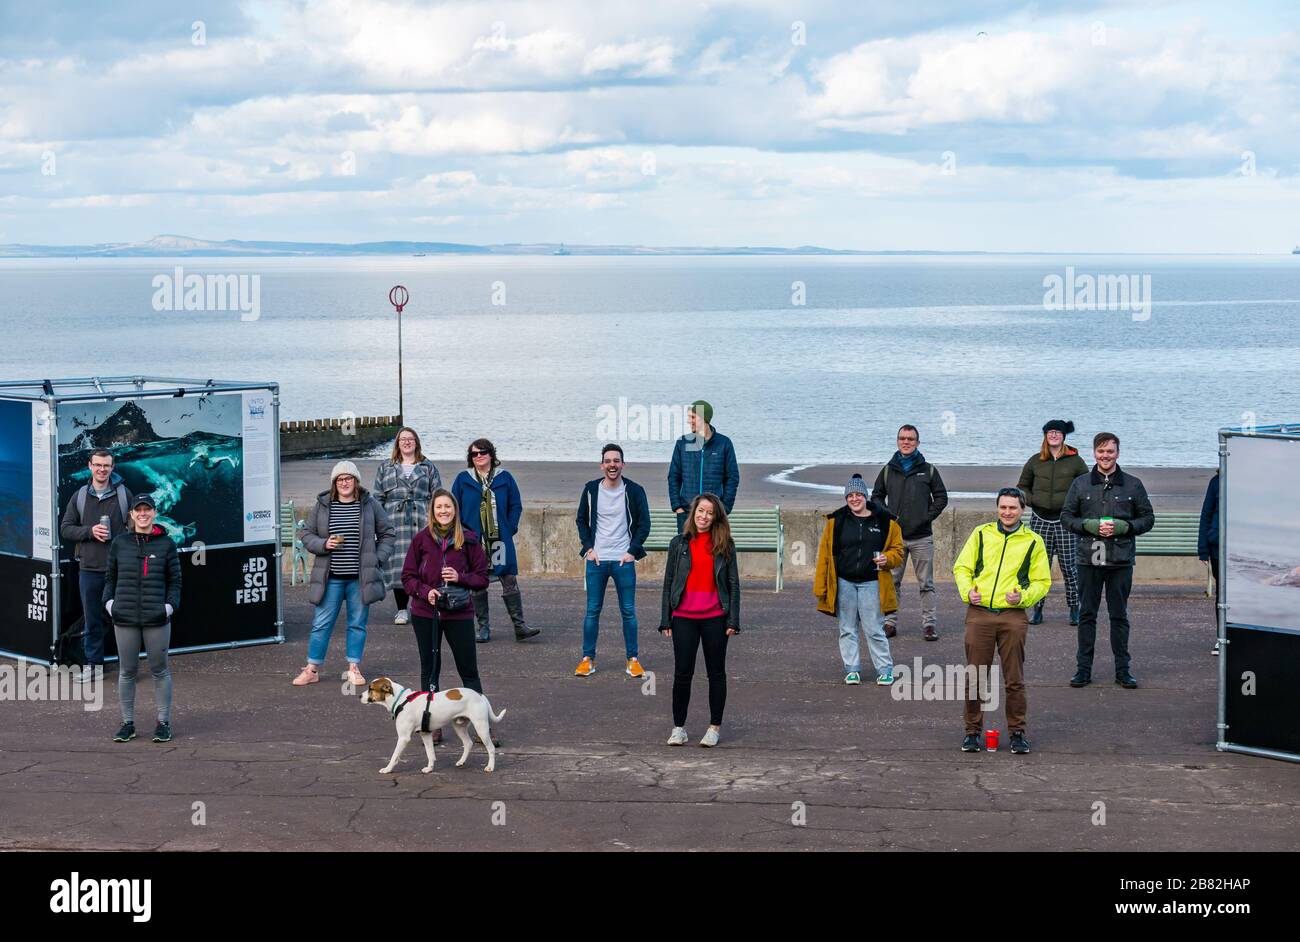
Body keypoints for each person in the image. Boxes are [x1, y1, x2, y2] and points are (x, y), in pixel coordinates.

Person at [952, 487, 1051, 755]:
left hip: (1013, 616)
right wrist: (967, 592)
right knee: (974, 677)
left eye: (1013, 508)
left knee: (1014, 679)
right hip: (979, 612)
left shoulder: (1033, 541)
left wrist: (1023, 598)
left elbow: (1043, 581)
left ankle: (1017, 733)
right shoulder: (981, 533)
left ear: (1023, 510)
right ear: (998, 508)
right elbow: (962, 567)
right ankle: (972, 733)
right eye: (1003, 507)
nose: (1007, 512)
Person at [1060, 433, 1155, 689]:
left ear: (1118, 453)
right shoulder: (1080, 484)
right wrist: (1087, 525)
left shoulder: (1133, 485)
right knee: (1087, 615)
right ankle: (1083, 670)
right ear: (1094, 453)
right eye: (1101, 452)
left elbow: (1148, 519)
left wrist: (1125, 527)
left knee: (1119, 616)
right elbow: (1066, 517)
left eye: (1110, 452)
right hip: (1088, 560)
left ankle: (1123, 671)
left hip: (1120, 561)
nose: (1105, 456)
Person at [401, 488, 493, 744]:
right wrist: (424, 591)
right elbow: (408, 577)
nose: (443, 511)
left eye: (448, 507)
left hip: (459, 612)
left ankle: (481, 724)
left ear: (455, 510)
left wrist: (460, 577)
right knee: (430, 669)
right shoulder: (421, 539)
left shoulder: (470, 540)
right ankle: (431, 722)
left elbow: (483, 578)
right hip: (426, 613)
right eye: (439, 507)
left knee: (468, 670)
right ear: (432, 511)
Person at [293, 461, 395, 688]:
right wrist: (323, 543)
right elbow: (306, 533)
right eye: (340, 479)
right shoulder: (323, 505)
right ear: (334, 483)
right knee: (321, 623)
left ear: (356, 481)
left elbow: (388, 533)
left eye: (349, 478)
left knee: (357, 624)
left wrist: (377, 558)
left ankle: (353, 668)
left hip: (360, 578)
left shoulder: (369, 504)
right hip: (331, 578)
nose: (344, 482)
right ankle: (312, 669)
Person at [659, 493, 741, 747]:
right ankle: (679, 728)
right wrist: (665, 620)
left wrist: (733, 620)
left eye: (709, 512)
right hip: (683, 617)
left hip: (715, 618)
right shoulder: (678, 543)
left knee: (716, 673)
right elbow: (668, 583)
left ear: (716, 517)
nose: (704, 516)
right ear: (693, 513)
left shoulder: (725, 544)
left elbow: (733, 584)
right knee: (682, 674)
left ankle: (714, 728)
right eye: (700, 511)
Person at [103, 494, 180, 744]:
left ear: (154, 513)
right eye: (139, 510)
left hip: (156, 618)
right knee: (127, 672)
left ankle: (163, 723)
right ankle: (127, 724)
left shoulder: (167, 544)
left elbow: (175, 581)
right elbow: (110, 578)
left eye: (148, 509)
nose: (143, 513)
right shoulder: (119, 543)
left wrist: (168, 608)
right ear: (132, 515)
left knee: (160, 670)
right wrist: (110, 604)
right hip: (124, 618)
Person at [814, 474, 904, 686]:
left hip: (872, 581)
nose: (854, 499)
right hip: (844, 581)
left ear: (866, 496)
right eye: (850, 495)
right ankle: (852, 669)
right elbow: (825, 556)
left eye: (858, 494)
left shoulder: (885, 521)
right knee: (847, 628)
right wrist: (821, 587)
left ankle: (885, 669)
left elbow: (898, 551)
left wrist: (887, 558)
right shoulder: (836, 521)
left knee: (874, 628)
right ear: (846, 497)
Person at [574, 443, 651, 678]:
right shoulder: (590, 489)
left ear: (623, 464)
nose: (612, 465)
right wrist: (588, 548)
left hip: (623, 561)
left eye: (616, 461)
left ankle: (633, 659)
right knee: (592, 611)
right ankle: (588, 659)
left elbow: (644, 524)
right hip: (596, 560)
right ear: (601, 465)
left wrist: (632, 551)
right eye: (608, 461)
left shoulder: (635, 490)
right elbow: (581, 521)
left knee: (628, 611)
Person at [451, 439, 539, 643]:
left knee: (508, 579)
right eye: (474, 454)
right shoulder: (464, 479)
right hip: (474, 542)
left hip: (499, 540)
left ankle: (520, 626)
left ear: (491, 454)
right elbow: (455, 509)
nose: (479, 456)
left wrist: (510, 528)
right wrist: (465, 535)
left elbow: (515, 505)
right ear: (470, 458)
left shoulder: (504, 477)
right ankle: (483, 628)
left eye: (483, 452)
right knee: (477, 584)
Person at [59, 448, 132, 682]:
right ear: (90, 466)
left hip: (119, 569)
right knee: (92, 619)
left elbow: (136, 529)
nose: (102, 469)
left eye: (106, 465)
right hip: (89, 569)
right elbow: (65, 529)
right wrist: (89, 532)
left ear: (113, 467)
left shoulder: (123, 495)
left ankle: (127, 667)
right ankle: (94, 666)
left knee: (124, 619)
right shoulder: (79, 496)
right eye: (98, 465)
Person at [871, 425, 948, 641]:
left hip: (922, 536)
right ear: (897, 441)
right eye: (903, 438)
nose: (906, 442)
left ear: (917, 443)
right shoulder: (888, 470)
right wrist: (888, 516)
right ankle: (889, 623)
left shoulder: (929, 470)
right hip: (895, 539)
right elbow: (876, 497)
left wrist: (926, 516)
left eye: (911, 439)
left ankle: (929, 625)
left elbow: (941, 497)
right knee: (892, 582)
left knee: (926, 583)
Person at [1017, 420, 1089, 625]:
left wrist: (1073, 507)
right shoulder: (1035, 460)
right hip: (1040, 520)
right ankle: (1037, 610)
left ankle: (1075, 609)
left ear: (1064, 436)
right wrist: (1034, 501)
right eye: (1050, 432)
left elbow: (1086, 487)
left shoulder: (1076, 461)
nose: (1054, 435)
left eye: (1058, 432)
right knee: (1040, 567)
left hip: (1065, 522)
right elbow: (1022, 486)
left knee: (1069, 567)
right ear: (1045, 435)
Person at [372, 427, 441, 626]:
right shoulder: (386, 467)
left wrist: (435, 522)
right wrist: (379, 527)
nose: (407, 442)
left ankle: (425, 606)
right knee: (399, 566)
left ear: (417, 442)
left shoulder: (428, 466)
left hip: (422, 520)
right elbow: (377, 499)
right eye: (403, 439)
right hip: (395, 522)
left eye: (410, 439)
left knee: (425, 564)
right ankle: (402, 609)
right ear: (397, 443)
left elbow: (437, 495)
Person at [667, 400, 739, 535]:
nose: (689, 421)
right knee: (686, 554)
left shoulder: (724, 443)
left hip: (713, 514)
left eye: (693, 417)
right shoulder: (682, 443)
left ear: (703, 419)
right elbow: (673, 477)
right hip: (686, 513)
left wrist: (724, 508)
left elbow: (732, 478)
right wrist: (677, 507)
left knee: (713, 552)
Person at [1198, 472, 1220, 655]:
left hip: (1241, 546)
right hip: (1217, 547)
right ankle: (1222, 637)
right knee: (1223, 595)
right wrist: (1203, 549)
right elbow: (1206, 514)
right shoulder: (1216, 482)